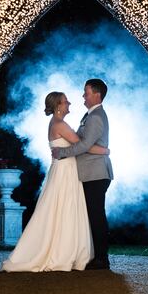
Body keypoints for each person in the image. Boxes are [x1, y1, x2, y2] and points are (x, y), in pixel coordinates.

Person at [2, 91, 110, 272]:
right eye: (65, 101)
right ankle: (64, 252)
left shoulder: (56, 123)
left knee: (60, 210)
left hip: (64, 170)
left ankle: (67, 250)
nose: (69, 103)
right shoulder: (60, 124)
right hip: (65, 172)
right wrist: (105, 151)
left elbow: (79, 145)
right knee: (64, 209)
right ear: (58, 106)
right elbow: (82, 145)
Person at [51, 78, 113, 270]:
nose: (83, 96)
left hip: (95, 173)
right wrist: (104, 150)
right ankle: (97, 255)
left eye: (86, 92)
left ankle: (102, 259)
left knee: (96, 216)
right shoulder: (91, 115)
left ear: (97, 94)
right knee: (93, 215)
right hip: (91, 172)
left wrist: (61, 153)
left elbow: (84, 145)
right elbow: (83, 142)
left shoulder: (95, 117)